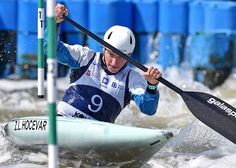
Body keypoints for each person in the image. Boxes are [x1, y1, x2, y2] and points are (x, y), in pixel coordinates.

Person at [43, 3, 162, 123]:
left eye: (121, 57)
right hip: (64, 120)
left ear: (129, 55)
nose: (115, 62)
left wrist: (152, 86)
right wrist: (55, 24)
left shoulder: (133, 79)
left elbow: (148, 110)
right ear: (103, 48)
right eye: (111, 54)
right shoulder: (84, 57)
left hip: (99, 133)